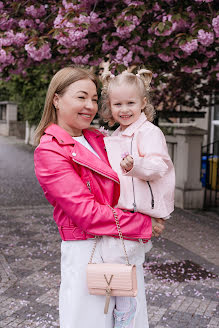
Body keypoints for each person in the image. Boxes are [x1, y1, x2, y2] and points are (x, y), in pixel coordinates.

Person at [34, 66, 164, 328]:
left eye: (94, 99)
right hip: (87, 251)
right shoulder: (49, 151)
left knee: (130, 321)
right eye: (81, 97)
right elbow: (87, 214)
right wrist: (144, 224)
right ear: (57, 100)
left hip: (120, 246)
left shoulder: (100, 139)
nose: (90, 106)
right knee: (90, 321)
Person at [100, 69, 175, 328]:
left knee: (121, 260)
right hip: (123, 210)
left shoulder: (148, 132)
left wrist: (136, 165)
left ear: (143, 103)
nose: (124, 109)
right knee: (120, 261)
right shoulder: (116, 134)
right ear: (109, 105)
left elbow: (159, 166)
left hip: (139, 209)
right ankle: (123, 310)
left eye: (130, 103)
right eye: (117, 103)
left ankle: (125, 313)